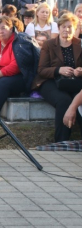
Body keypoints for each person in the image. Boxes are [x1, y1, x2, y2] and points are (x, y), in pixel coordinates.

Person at [0, 16, 40, 128]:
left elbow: (16, 66)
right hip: (1, 74)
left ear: (11, 28)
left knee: (3, 82)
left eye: (4, 28)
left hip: (23, 77)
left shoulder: (20, 40)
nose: (1, 31)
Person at [32, 13, 82, 142]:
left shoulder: (79, 44)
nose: (66, 30)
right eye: (63, 27)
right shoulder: (49, 44)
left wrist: (80, 70)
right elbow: (41, 70)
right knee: (64, 101)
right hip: (50, 81)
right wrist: (59, 70)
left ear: (75, 28)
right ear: (58, 28)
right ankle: (61, 141)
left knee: (79, 99)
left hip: (74, 82)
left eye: (70, 27)